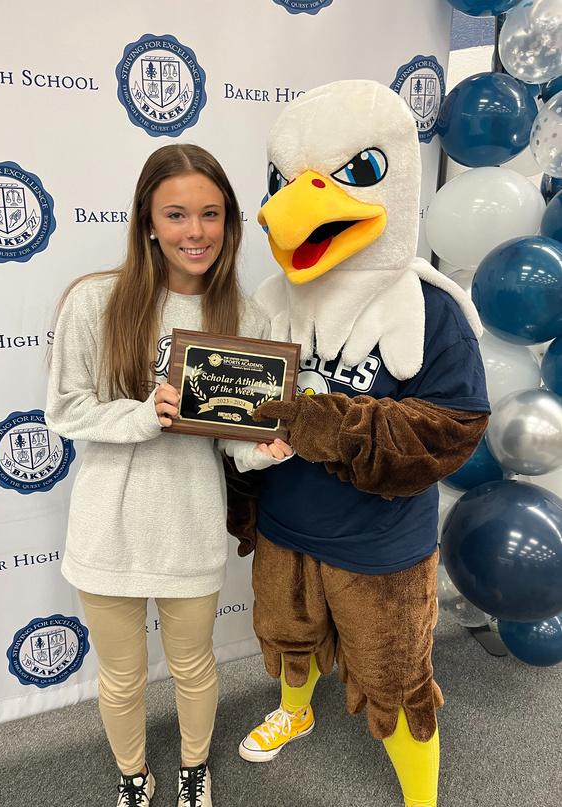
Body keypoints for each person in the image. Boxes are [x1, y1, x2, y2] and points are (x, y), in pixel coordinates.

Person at [235, 81, 490, 807]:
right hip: (285, 526)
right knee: (289, 636)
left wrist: (328, 424)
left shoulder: (430, 310)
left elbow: (451, 427)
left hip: (381, 547)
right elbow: (244, 407)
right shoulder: (270, 302)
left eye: (352, 172)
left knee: (396, 679)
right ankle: (296, 711)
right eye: (285, 181)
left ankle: (421, 798)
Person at [45, 143, 291, 807]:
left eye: (210, 213)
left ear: (229, 222)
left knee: (192, 665)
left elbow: (235, 441)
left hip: (189, 525)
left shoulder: (246, 318)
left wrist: (269, 448)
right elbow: (64, 410)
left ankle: (192, 768)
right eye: (176, 214)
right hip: (107, 528)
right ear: (148, 222)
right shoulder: (94, 301)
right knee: (122, 677)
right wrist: (142, 413)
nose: (195, 231)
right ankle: (133, 775)